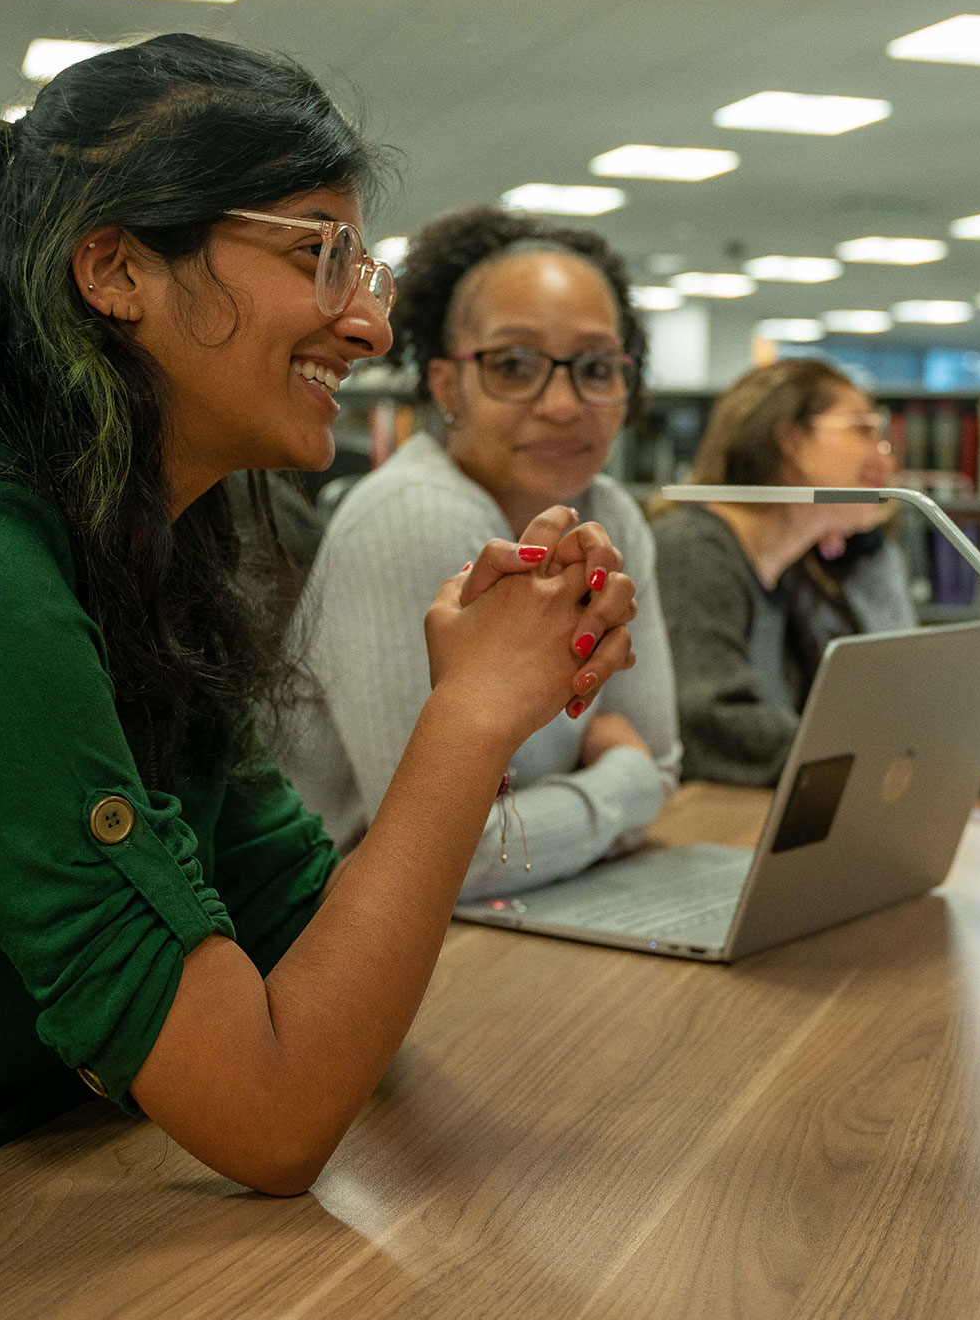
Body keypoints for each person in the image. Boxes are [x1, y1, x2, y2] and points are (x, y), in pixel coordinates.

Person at [0, 36, 640, 1279]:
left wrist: (476, 714)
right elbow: (272, 1116)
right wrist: (470, 719)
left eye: (361, 261)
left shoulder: (153, 542)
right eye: (315, 251)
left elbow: (313, 971)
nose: (369, 318)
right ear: (114, 267)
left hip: (7, 1167)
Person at [278, 206, 680, 899]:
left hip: (531, 910)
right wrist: (621, 786)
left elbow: (665, 762)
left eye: (595, 367)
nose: (562, 404)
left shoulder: (611, 513)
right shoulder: (412, 518)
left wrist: (605, 797)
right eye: (513, 365)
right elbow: (451, 857)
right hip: (335, 934)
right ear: (445, 387)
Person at [653, 357, 980, 797]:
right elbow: (714, 731)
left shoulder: (784, 571)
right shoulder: (693, 550)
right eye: (864, 430)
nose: (885, 457)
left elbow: (840, 717)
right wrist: (945, 767)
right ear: (790, 440)